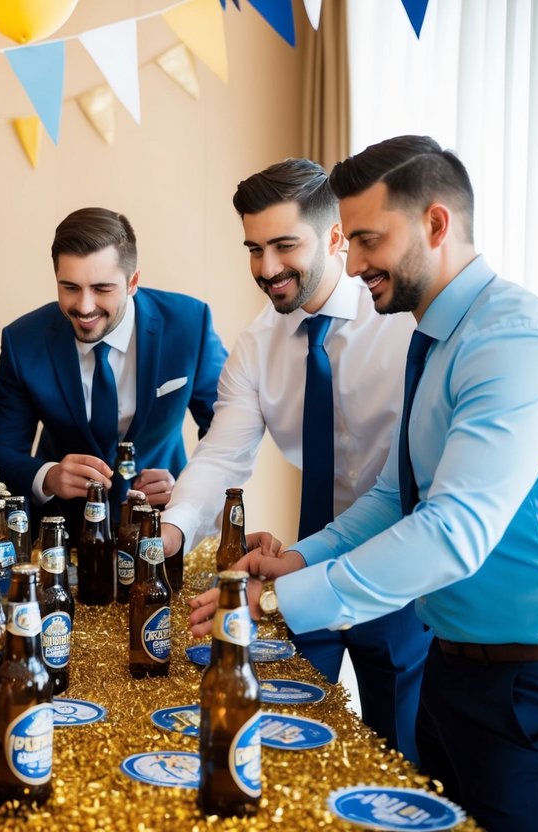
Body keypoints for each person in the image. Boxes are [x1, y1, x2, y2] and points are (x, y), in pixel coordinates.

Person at [189, 136, 538, 831]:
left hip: (521, 684)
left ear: (434, 225)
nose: (350, 264)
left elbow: (451, 532)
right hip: (451, 668)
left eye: (365, 240)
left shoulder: (511, 340)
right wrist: (293, 559)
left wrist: (274, 601)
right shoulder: (429, 336)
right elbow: (392, 496)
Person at [161, 159, 429, 762]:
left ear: (336, 237)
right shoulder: (257, 345)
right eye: (254, 249)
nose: (266, 268)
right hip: (305, 567)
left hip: (402, 570)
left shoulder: (403, 326)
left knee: (402, 755)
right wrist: (171, 531)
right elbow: (220, 456)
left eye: (285, 246)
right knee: (294, 746)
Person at [0, 207, 227, 530]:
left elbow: (226, 434)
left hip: (166, 524)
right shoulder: (23, 342)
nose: (84, 307)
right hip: (62, 532)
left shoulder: (189, 325)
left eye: (101, 289)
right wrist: (49, 476)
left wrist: (187, 488)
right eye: (70, 287)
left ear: (133, 281)